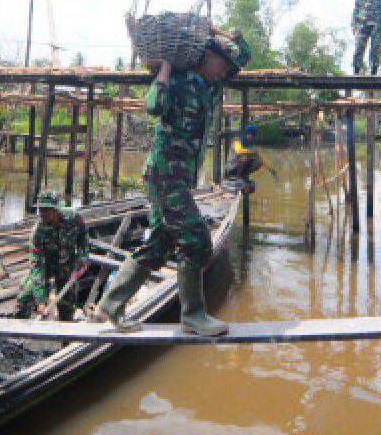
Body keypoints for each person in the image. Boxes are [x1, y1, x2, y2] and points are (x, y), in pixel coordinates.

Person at [93, 26, 251, 336]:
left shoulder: (210, 87)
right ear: (206, 57)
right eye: (220, 60)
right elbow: (153, 106)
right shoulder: (177, 82)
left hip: (177, 178)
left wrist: (221, 32)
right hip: (165, 175)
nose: (224, 68)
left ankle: (110, 304)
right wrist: (164, 69)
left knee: (159, 245)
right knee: (195, 241)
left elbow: (242, 57)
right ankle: (193, 316)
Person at [16, 191, 90, 320]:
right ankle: (20, 330)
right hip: (46, 266)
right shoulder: (38, 232)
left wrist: (83, 257)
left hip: (67, 265)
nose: (42, 214)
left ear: (56, 210)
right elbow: (37, 267)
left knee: (66, 306)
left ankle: (65, 335)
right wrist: (40, 300)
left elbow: (83, 235)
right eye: (40, 210)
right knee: (25, 295)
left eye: (46, 210)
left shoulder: (73, 217)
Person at [222, 124, 273, 193]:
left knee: (259, 161)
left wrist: (271, 170)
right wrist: (251, 152)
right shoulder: (237, 140)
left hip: (241, 167)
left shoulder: (251, 144)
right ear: (247, 133)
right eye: (251, 135)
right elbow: (239, 151)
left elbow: (260, 158)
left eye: (254, 135)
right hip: (232, 167)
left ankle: (243, 176)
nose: (252, 137)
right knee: (244, 157)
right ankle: (237, 178)